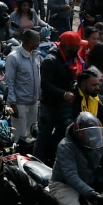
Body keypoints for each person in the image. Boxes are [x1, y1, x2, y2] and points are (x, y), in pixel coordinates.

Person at [37, 31, 83, 162]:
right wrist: (63, 94)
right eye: (77, 46)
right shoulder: (50, 61)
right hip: (50, 105)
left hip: (64, 105)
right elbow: (45, 84)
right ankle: (36, 162)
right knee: (44, 136)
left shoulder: (69, 59)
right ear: (68, 47)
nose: (79, 49)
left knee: (61, 135)